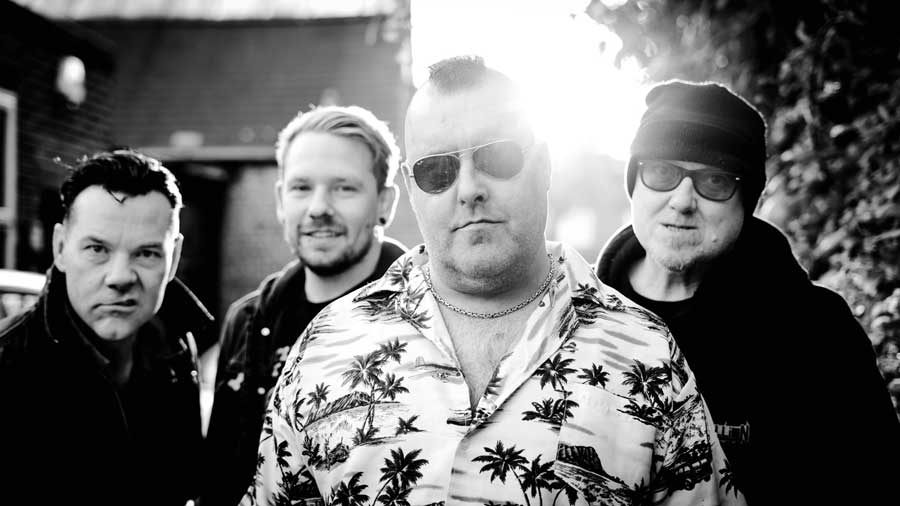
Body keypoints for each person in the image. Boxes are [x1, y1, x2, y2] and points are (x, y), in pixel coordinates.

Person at [241, 56, 743, 505]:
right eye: (437, 171)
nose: (469, 189)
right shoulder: (325, 348)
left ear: (543, 165)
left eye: (497, 157)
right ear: (412, 191)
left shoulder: (648, 355)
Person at [595, 80, 900, 504]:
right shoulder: (575, 323)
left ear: (747, 200)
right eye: (662, 172)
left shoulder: (817, 332)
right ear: (635, 184)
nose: (682, 201)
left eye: (715, 180)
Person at [202, 105, 406, 506]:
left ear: (384, 203)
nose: (318, 208)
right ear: (281, 200)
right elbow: (218, 477)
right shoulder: (247, 320)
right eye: (301, 188)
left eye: (344, 188)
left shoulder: (423, 318)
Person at [0, 149, 212, 506]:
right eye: (97, 249)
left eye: (146, 253)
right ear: (60, 247)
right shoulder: (9, 367)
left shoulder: (176, 347)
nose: (120, 277)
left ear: (174, 258)